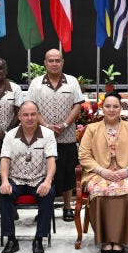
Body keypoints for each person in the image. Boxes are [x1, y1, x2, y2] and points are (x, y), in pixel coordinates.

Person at [77, 91, 128, 253]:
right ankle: (106, 239)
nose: (112, 109)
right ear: (102, 108)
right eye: (108, 106)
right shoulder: (92, 129)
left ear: (121, 108)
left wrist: (127, 170)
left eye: (115, 106)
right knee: (100, 190)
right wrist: (102, 171)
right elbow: (84, 155)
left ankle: (121, 239)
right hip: (98, 172)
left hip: (126, 172)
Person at [26, 49, 84, 222]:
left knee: (67, 173)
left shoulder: (72, 82)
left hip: (66, 137)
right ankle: (46, 208)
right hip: (42, 137)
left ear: (62, 62)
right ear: (45, 63)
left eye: (57, 60)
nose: (54, 64)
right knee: (43, 173)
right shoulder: (36, 83)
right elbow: (31, 108)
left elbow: (77, 106)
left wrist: (65, 124)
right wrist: (47, 126)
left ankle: (67, 207)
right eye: (50, 60)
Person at [0, 101, 58, 253]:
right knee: (3, 194)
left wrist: (48, 181)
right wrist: (4, 181)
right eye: (25, 114)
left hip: (39, 179)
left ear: (38, 115)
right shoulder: (10, 135)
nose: (30, 118)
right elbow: (5, 160)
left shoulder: (48, 134)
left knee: (48, 194)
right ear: (19, 116)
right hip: (16, 179)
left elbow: (51, 160)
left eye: (33, 114)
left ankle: (39, 239)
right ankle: (11, 240)